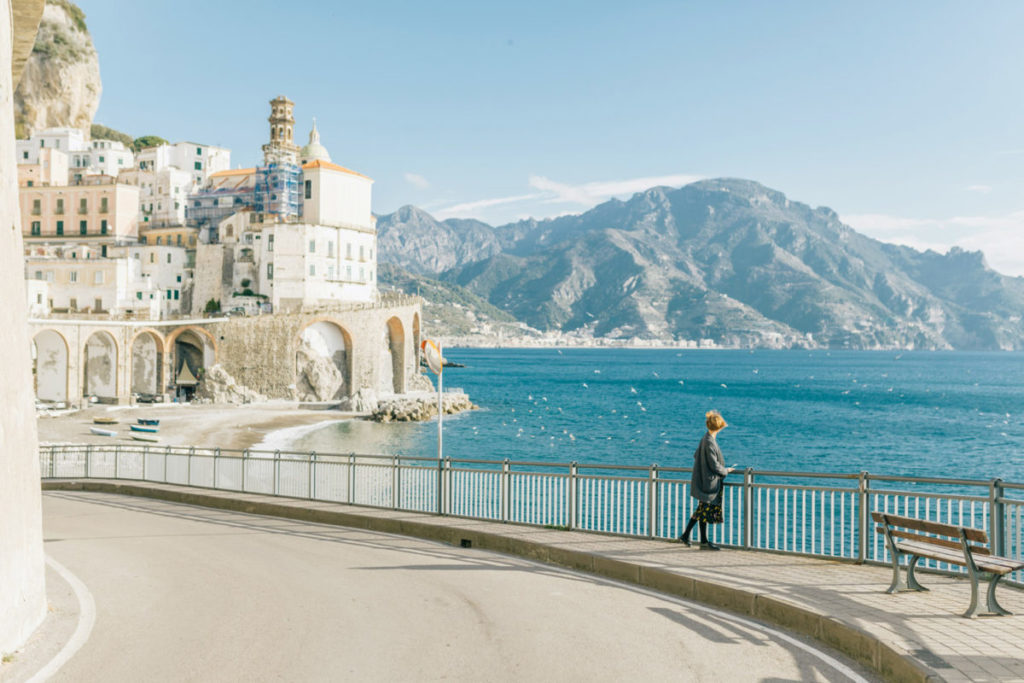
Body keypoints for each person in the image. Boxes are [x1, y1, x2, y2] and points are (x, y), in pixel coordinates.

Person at [679, 410, 734, 550]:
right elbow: (714, 465)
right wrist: (726, 470)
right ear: (719, 427)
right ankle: (691, 537)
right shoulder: (710, 442)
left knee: (702, 510)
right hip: (709, 483)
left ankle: (696, 539)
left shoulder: (705, 439)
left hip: (704, 481)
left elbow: (696, 455)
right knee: (702, 511)